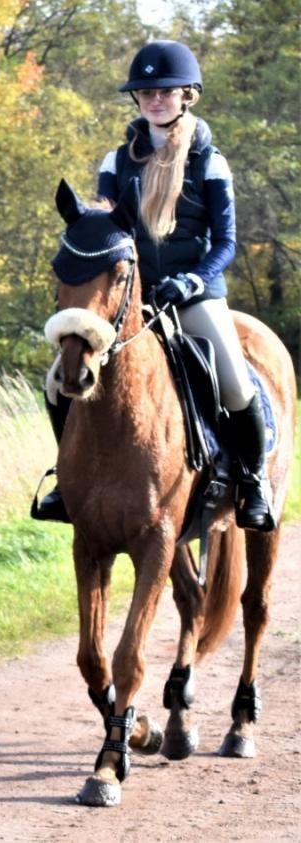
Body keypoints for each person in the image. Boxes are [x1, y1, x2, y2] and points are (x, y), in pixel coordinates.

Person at [33, 40, 274, 532]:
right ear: (137, 99)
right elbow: (107, 231)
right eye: (146, 93)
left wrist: (192, 281)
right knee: (57, 382)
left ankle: (253, 481)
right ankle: (68, 478)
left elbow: (226, 242)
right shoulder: (115, 161)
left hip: (194, 294)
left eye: (165, 92)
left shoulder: (209, 161)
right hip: (130, 297)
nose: (155, 100)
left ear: (187, 95)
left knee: (234, 382)